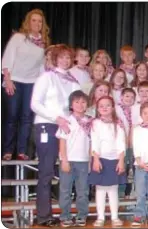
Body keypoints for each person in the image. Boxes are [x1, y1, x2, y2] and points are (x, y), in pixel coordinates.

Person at [30, 44, 80, 227]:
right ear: (55, 59)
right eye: (62, 57)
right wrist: (55, 118)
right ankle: (44, 215)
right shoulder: (47, 77)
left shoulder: (74, 81)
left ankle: (66, 212)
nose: (65, 61)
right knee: (47, 171)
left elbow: (77, 106)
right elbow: (35, 104)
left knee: (68, 170)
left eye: (68, 57)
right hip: (47, 126)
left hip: (67, 128)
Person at [2, 9, 50, 161]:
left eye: (40, 21)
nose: (37, 23)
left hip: (32, 83)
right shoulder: (18, 37)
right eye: (34, 20)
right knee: (12, 116)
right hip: (14, 81)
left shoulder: (43, 43)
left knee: (27, 118)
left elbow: (42, 66)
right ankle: (8, 150)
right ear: (28, 22)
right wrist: (8, 79)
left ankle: (22, 151)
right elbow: (7, 58)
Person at [88, 96, 127, 227]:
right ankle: (100, 217)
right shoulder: (95, 123)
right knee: (100, 189)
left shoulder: (118, 123)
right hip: (100, 159)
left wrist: (121, 160)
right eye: (101, 106)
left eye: (107, 105)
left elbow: (121, 143)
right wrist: (96, 159)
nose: (104, 108)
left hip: (115, 160)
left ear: (113, 107)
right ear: (97, 109)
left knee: (113, 189)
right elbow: (95, 142)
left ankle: (115, 216)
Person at [56, 90, 91, 227]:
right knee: (65, 190)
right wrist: (64, 160)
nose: (80, 104)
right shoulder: (67, 121)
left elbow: (91, 142)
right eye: (77, 102)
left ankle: (82, 215)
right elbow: (62, 141)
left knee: (83, 190)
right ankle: (65, 215)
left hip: (84, 160)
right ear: (71, 105)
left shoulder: (89, 121)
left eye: (83, 102)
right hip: (68, 160)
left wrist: (90, 160)